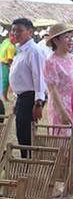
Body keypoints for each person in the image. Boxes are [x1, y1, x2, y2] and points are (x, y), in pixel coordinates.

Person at [9, 18, 48, 156]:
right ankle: (25, 165)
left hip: (31, 98)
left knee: (27, 135)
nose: (15, 33)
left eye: (19, 30)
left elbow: (39, 77)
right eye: (14, 30)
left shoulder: (34, 50)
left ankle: (29, 167)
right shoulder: (21, 50)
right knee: (21, 134)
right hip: (23, 98)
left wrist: (38, 102)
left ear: (30, 32)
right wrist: (16, 99)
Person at [42, 23, 73, 134]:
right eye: (66, 37)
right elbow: (52, 89)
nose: (70, 40)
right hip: (61, 110)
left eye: (71, 37)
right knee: (63, 145)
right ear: (55, 40)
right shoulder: (51, 62)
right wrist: (62, 112)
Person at [0, 35, 16, 104]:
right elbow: (10, 59)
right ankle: (5, 98)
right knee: (5, 81)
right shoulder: (11, 47)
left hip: (1, 62)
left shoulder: (6, 40)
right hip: (4, 64)